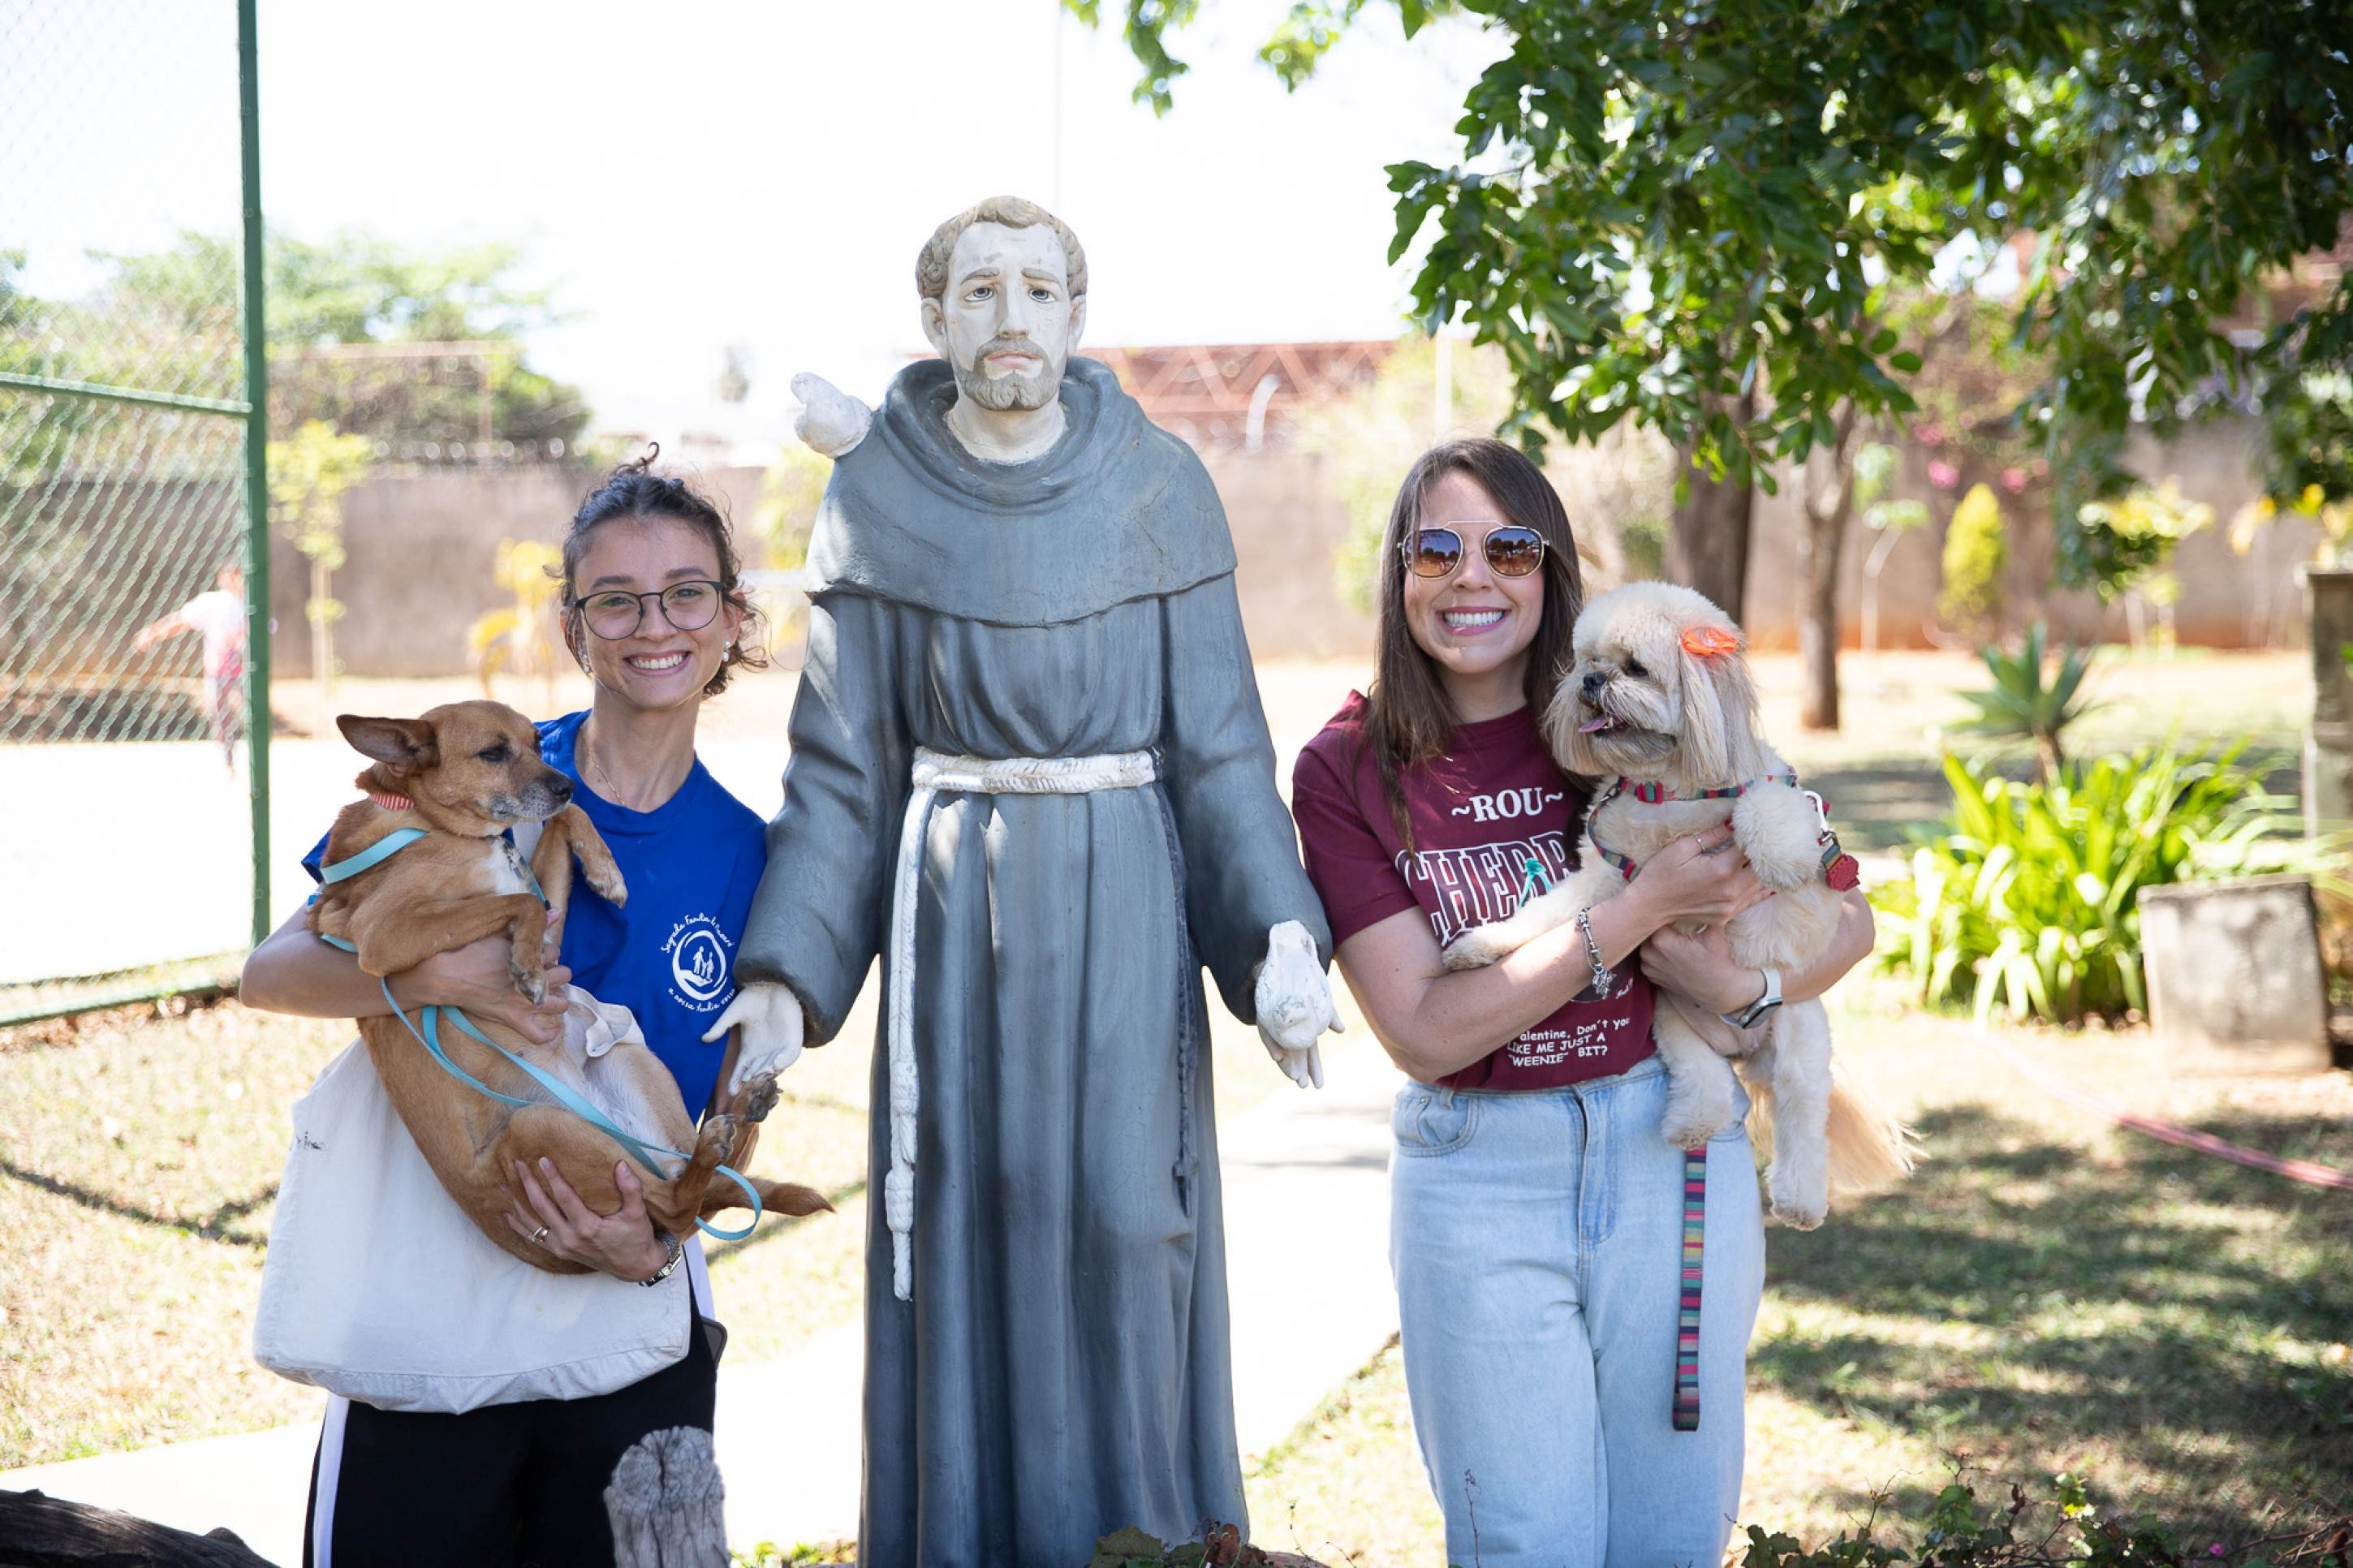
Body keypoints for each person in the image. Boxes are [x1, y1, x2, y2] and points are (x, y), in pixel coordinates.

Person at [702, 194, 1340, 1566]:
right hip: (953, 927)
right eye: (978, 291)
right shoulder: (875, 492)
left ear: (1074, 316)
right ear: (935, 320)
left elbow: (1222, 750)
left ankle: (1148, 1541)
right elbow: (841, 773)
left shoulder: (1160, 485)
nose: (1009, 318)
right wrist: (782, 976)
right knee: (969, 1245)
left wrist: (1280, 938)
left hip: (1125, 911)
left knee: (1128, 1223)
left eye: (1037, 291)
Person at [1288, 438, 1876, 1567]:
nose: (1473, 578)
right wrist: (1634, 911)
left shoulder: (1649, 714)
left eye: (1509, 548)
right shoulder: (1346, 766)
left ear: (1549, 570)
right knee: (1527, 1546)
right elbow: (1420, 1030)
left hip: (1670, 1147)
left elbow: (1848, 918)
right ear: (1397, 573)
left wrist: (1744, 986)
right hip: (1480, 1176)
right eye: (1436, 550)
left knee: (1669, 1543)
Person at [239, 457, 773, 1568]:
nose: (651, 625)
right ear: (575, 628)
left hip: (627, 1299)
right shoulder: (477, 770)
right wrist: (425, 978)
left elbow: (724, 1107)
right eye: (613, 599)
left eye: (685, 592)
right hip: (436, 1295)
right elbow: (276, 970)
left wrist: (652, 1235)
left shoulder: (747, 852)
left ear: (730, 618)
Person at [133, 559, 247, 770]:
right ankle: (229, 758)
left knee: (247, 711)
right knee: (219, 714)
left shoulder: (250, 604)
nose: (233, 580)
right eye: (229, 575)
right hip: (218, 669)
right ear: (222, 578)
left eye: (237, 575)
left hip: (245, 670)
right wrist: (153, 633)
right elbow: (180, 621)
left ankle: (251, 754)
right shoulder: (212, 603)